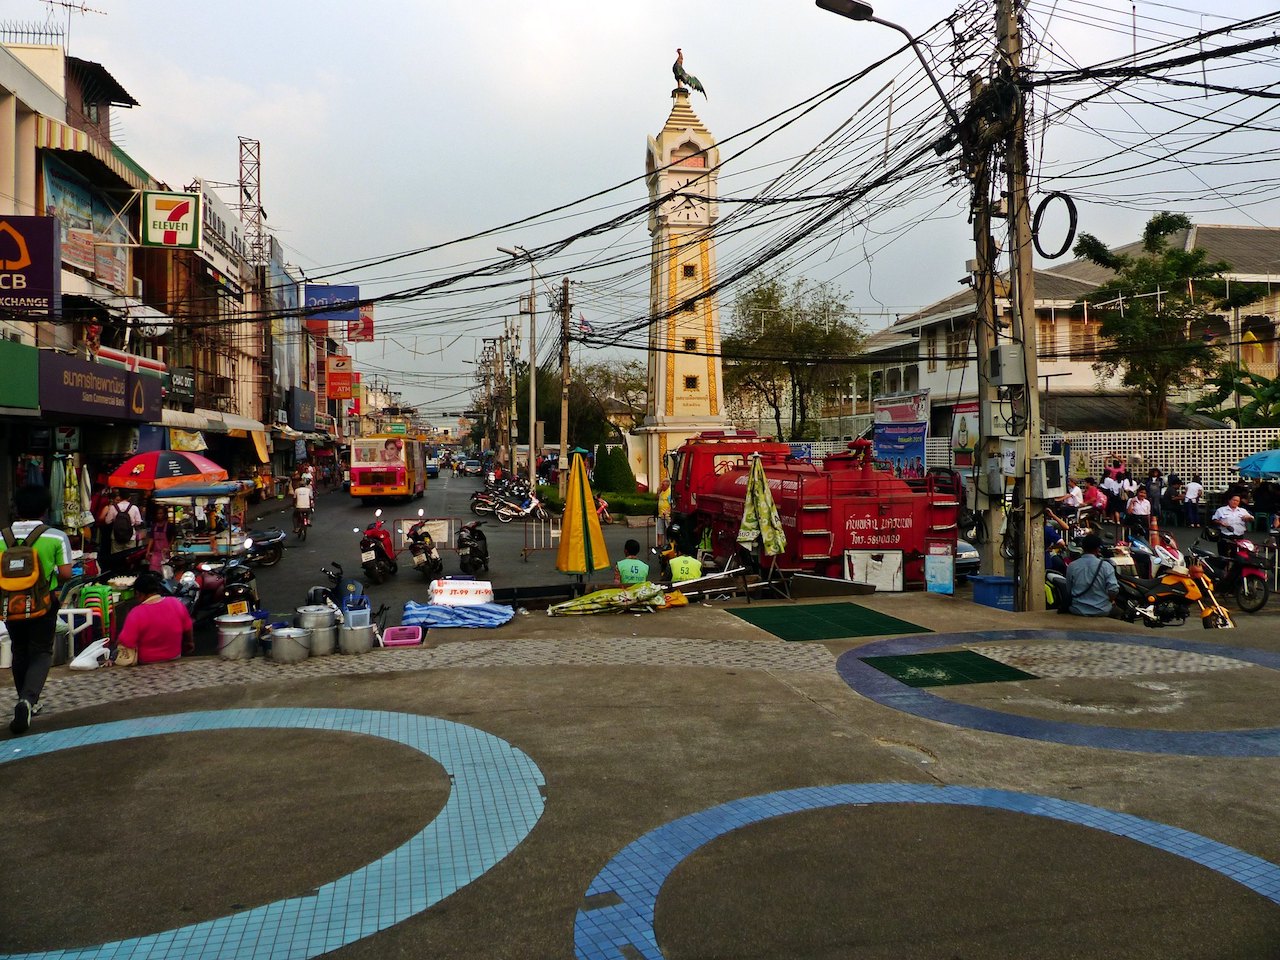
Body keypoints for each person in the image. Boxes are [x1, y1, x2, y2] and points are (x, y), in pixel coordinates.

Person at [1, 485, 72, 735]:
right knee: (41, 652)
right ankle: (28, 701)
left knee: (19, 651)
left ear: (17, 508)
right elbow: (65, 574)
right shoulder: (55, 536)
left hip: (10, 605)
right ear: (44, 509)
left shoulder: (1, 537)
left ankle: (24, 699)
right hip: (42, 605)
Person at [115, 571, 193, 664]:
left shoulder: (136, 613)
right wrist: (190, 643)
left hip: (146, 662)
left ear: (138, 593)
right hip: (175, 657)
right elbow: (188, 628)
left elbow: (127, 641)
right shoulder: (176, 603)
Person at [1065, 533, 1120, 618]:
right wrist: (1110, 600)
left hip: (1077, 610)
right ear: (1098, 549)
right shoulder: (1106, 566)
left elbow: (1069, 590)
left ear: (1082, 548)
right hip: (1102, 610)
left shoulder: (1072, 566)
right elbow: (1113, 589)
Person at [99, 490, 143, 573]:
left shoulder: (113, 507)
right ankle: (128, 574)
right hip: (130, 537)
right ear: (129, 497)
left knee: (116, 558)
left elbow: (107, 521)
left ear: (120, 497)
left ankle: (117, 574)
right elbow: (138, 522)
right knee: (130, 557)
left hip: (116, 536)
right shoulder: (134, 508)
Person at [143, 502, 175, 573]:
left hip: (165, 555)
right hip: (155, 554)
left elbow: (172, 538)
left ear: (165, 514)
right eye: (158, 513)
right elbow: (151, 539)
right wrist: (148, 551)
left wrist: (168, 548)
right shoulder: (154, 526)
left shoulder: (169, 526)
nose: (159, 515)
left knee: (166, 573)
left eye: (161, 513)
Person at [656, 479, 672, 548]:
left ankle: (670, 543)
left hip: (667, 515)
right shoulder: (661, 491)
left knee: (668, 530)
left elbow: (672, 504)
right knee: (660, 530)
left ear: (667, 485)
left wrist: (667, 511)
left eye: (663, 485)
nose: (661, 486)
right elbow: (656, 498)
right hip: (660, 514)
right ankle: (660, 543)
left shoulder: (669, 493)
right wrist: (658, 492)